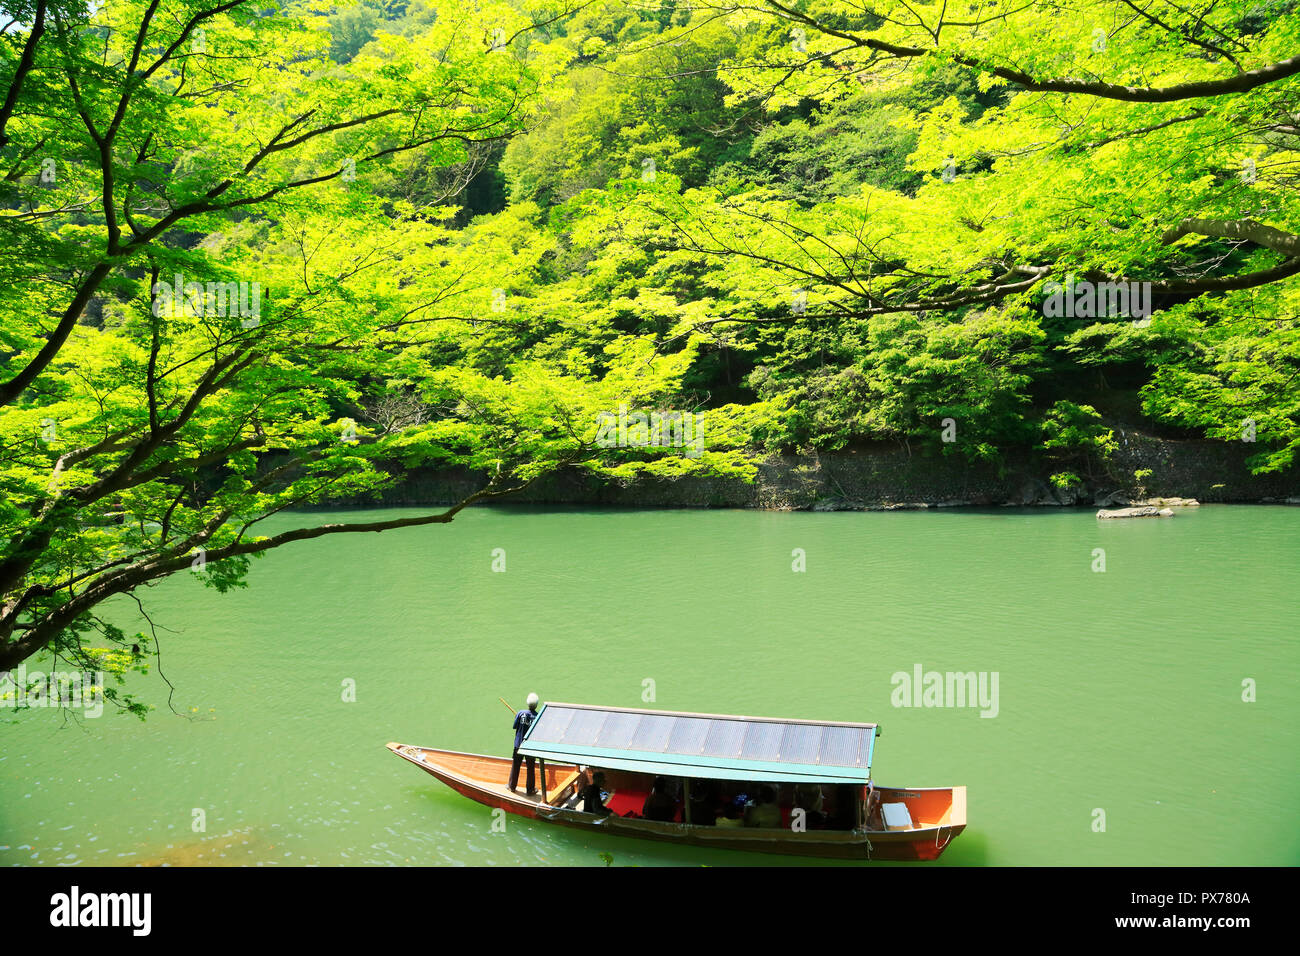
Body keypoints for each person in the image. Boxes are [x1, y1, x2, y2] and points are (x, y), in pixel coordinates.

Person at [508, 692, 541, 795]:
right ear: (536, 704)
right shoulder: (538, 716)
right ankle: (530, 790)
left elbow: (515, 726)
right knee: (530, 768)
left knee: (516, 765)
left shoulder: (520, 713)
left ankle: (512, 786)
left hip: (518, 745)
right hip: (530, 747)